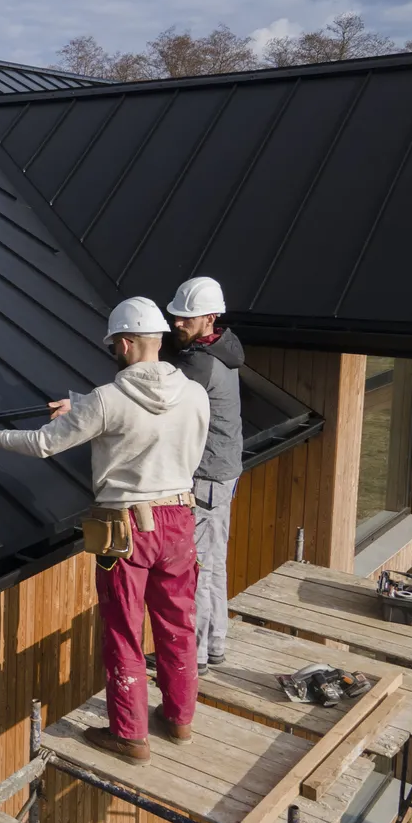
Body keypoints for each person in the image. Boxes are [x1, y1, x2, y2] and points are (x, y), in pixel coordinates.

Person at [0, 297, 209, 763]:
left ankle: (130, 736)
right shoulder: (195, 393)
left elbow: (43, 443)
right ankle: (180, 720)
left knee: (125, 630)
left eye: (114, 346)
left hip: (127, 528)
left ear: (125, 343)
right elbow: (151, 424)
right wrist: (84, 407)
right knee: (178, 623)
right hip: (180, 521)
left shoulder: (109, 400)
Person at [164, 277, 243, 678]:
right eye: (175, 315)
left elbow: (160, 396)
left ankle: (193, 658)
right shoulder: (222, 349)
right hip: (221, 473)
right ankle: (214, 646)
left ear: (210, 318)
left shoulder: (200, 364)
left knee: (198, 567)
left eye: (186, 317)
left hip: (208, 477)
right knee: (213, 562)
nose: (176, 323)